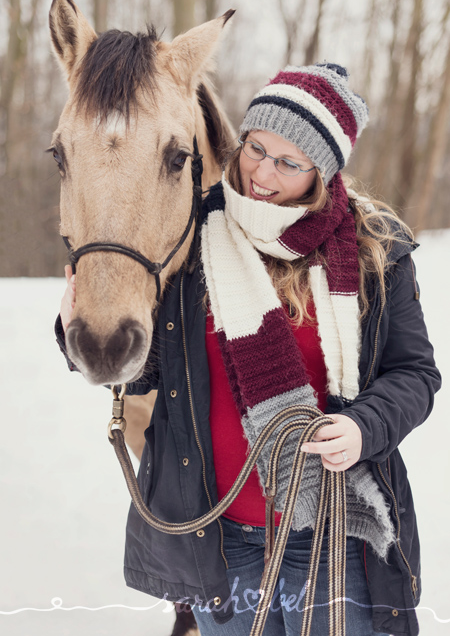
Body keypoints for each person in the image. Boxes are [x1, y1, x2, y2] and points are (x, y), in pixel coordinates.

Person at [58, 63, 441, 636]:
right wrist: (77, 328)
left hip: (336, 538)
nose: (262, 172)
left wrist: (365, 427)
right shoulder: (195, 239)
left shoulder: (373, 249)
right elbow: (145, 373)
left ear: (323, 171)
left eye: (289, 162)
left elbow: (415, 374)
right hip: (224, 544)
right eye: (255, 148)